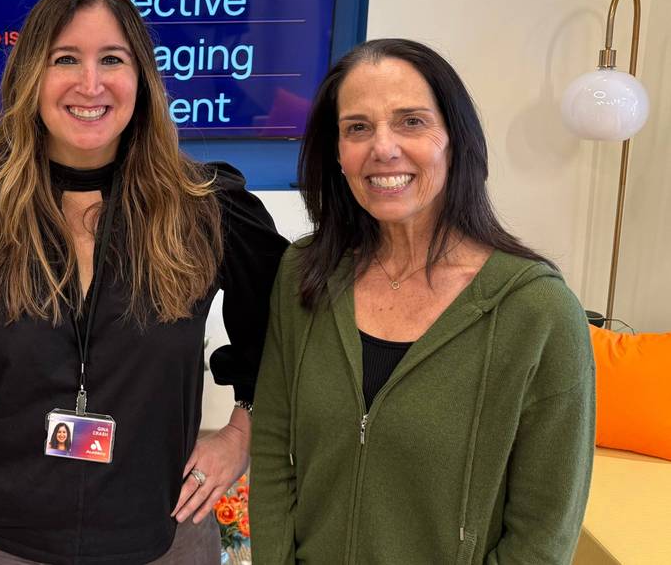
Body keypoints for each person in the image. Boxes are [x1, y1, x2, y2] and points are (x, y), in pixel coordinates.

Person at [0, 0, 287, 564]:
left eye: (112, 59)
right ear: (29, 78)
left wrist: (242, 434)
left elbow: (290, 331)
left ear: (141, 78)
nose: (90, 84)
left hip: (159, 538)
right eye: (64, 58)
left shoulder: (204, 206)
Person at [249, 38, 595, 563]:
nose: (382, 148)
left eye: (411, 121)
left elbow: (544, 534)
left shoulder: (538, 312)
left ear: (455, 139)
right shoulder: (305, 275)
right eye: (357, 127)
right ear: (336, 153)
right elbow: (274, 449)